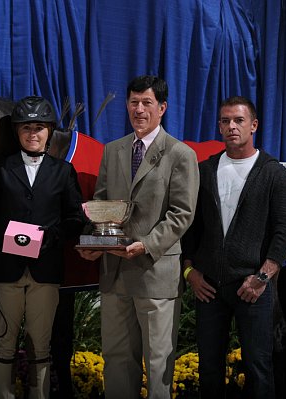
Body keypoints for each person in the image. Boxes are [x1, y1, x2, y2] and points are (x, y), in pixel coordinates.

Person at [77, 75, 199, 398]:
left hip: (155, 275)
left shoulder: (180, 154)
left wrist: (146, 244)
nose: (139, 109)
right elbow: (103, 206)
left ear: (162, 108)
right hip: (114, 275)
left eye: (147, 103)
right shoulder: (113, 150)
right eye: (134, 103)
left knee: (159, 365)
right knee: (116, 361)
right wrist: (93, 241)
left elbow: (182, 214)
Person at [0, 96, 86, 399]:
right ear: (16, 132)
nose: (32, 133)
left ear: (49, 131)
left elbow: (76, 218)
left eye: (39, 127)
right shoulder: (0, 171)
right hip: (5, 272)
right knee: (4, 345)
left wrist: (52, 236)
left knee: (41, 346)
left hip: (45, 273)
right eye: (25, 127)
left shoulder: (63, 172)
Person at [181, 96, 286, 399]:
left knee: (258, 368)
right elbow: (191, 229)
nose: (232, 126)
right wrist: (190, 272)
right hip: (209, 288)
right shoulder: (205, 170)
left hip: (253, 286)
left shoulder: (273, 173)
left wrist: (262, 277)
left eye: (239, 120)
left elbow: (285, 231)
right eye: (225, 121)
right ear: (219, 126)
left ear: (253, 125)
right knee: (209, 371)